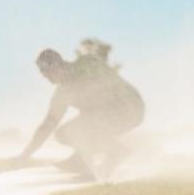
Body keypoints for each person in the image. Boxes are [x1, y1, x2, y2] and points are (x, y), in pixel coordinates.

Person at [14, 41, 145, 178]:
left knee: (77, 129)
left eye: (47, 71)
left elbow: (106, 82)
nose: (46, 77)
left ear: (57, 64)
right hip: (112, 115)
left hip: (130, 107)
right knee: (64, 133)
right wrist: (25, 154)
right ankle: (93, 164)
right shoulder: (62, 93)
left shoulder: (86, 63)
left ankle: (112, 152)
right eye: (43, 73)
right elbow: (48, 124)